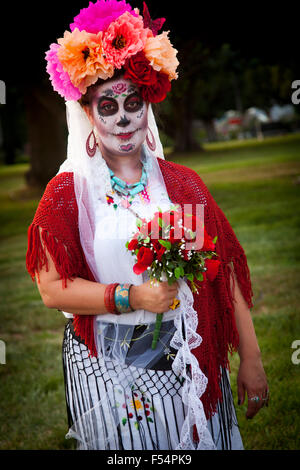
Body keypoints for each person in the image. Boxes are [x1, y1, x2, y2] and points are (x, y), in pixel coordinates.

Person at [26, 0, 268, 451]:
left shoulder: (182, 183)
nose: (122, 118)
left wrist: (250, 358)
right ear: (88, 115)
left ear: (147, 107)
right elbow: (51, 288)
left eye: (132, 104)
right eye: (108, 105)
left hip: (191, 363)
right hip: (110, 372)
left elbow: (224, 268)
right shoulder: (66, 193)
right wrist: (134, 296)